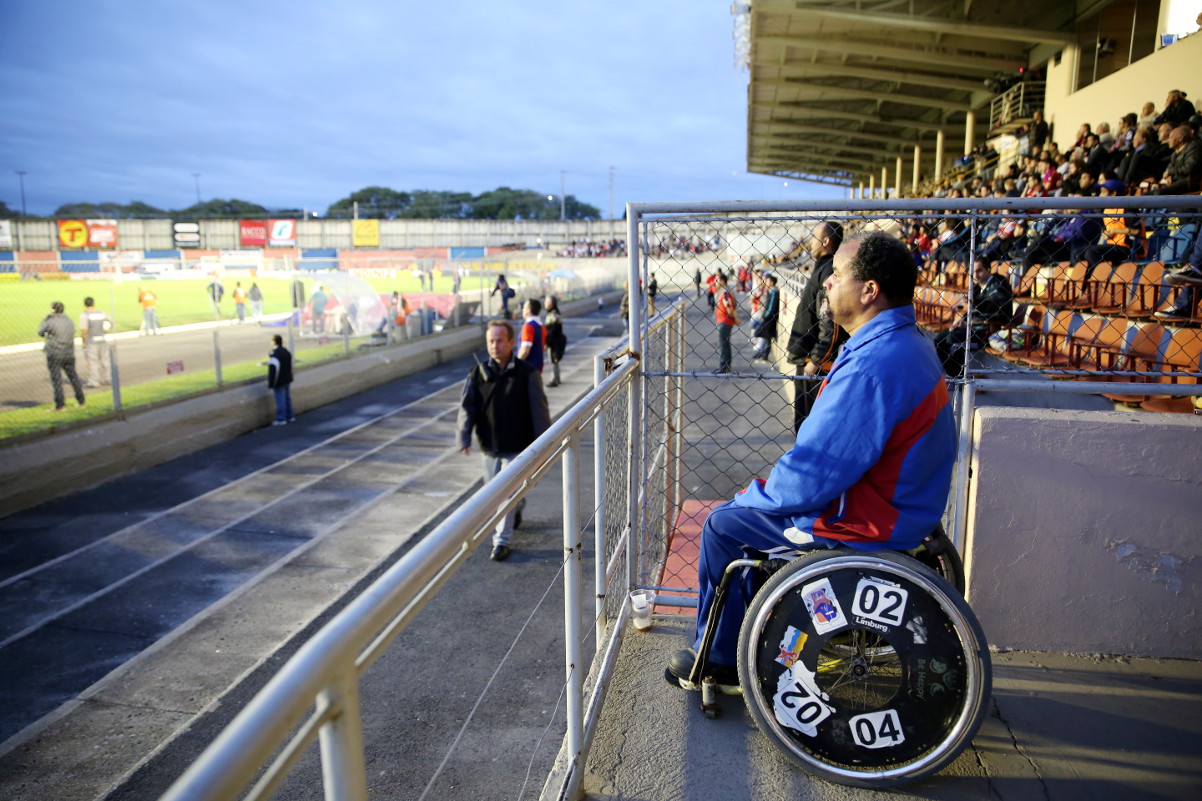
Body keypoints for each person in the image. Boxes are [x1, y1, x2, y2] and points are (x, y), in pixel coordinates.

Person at [665, 232, 956, 688]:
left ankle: (720, 662)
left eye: (836, 275)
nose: (825, 283)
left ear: (869, 291)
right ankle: (744, 637)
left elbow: (812, 475)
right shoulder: (909, 343)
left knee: (725, 524)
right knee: (745, 516)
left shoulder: (872, 366)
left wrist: (754, 496)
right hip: (902, 510)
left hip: (866, 523)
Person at [457, 319, 551, 562]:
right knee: (497, 496)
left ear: (511, 342)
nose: (495, 346)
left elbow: (539, 413)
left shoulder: (527, 374)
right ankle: (517, 507)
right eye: (491, 341)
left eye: (500, 340)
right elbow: (467, 408)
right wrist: (464, 437)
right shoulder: (477, 374)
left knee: (505, 494)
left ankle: (501, 542)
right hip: (489, 447)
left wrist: (543, 448)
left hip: (518, 448)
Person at [786, 220, 843, 432]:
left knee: (809, 427)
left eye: (814, 237)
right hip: (808, 360)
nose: (810, 242)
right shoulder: (822, 268)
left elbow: (830, 321)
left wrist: (816, 360)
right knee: (803, 423)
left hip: (815, 365)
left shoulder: (829, 272)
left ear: (826, 241)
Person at [933, 259, 1015, 376]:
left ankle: (962, 378)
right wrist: (960, 320)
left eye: (979, 271)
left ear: (988, 270)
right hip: (972, 327)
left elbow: (996, 306)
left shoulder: (999, 284)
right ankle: (956, 376)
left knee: (954, 341)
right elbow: (970, 308)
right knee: (939, 340)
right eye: (973, 272)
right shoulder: (977, 287)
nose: (975, 275)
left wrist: (976, 302)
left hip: (989, 329)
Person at [37, 301, 87, 412]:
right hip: (69, 353)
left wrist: (45, 320)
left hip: (55, 353)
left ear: (53, 310)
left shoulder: (51, 321)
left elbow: (40, 332)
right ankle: (81, 401)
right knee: (73, 377)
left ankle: (60, 405)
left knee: (56, 379)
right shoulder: (69, 321)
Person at [79, 296, 114, 387]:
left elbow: (84, 330)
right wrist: (105, 329)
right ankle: (108, 378)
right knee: (105, 361)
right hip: (102, 340)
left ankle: (94, 381)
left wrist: (84, 341)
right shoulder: (101, 313)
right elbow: (111, 322)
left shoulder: (85, 315)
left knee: (93, 362)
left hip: (91, 341)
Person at [713, 272, 738, 374]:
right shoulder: (723, 291)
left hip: (724, 321)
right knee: (725, 343)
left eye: (717, 280)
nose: (715, 282)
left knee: (723, 344)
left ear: (722, 281)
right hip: (723, 320)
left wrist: (735, 318)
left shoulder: (725, 292)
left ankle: (723, 366)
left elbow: (729, 307)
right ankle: (726, 365)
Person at [267, 334, 294, 426]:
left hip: (279, 381)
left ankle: (281, 418)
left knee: (280, 400)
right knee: (287, 398)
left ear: (274, 342)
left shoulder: (274, 353)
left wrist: (271, 383)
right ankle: (290, 416)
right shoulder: (286, 351)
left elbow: (274, 369)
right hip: (287, 379)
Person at [752, 274, 779, 361]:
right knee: (767, 337)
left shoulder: (774, 291)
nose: (765, 282)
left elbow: (771, 306)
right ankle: (763, 354)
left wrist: (765, 316)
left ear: (772, 282)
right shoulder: (770, 291)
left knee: (760, 333)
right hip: (768, 317)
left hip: (769, 318)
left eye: (767, 280)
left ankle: (763, 354)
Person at [544, 295, 568, 387]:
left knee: (553, 360)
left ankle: (554, 379)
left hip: (554, 342)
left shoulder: (553, 315)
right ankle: (557, 378)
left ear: (550, 303)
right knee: (555, 360)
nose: (545, 304)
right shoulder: (555, 313)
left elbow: (552, 331)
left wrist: (547, 342)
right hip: (556, 341)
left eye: (546, 302)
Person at [517, 298, 546, 372]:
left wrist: (516, 364)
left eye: (524, 307)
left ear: (528, 310)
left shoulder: (528, 326)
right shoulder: (541, 326)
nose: (522, 310)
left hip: (527, 367)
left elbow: (525, 350)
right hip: (538, 366)